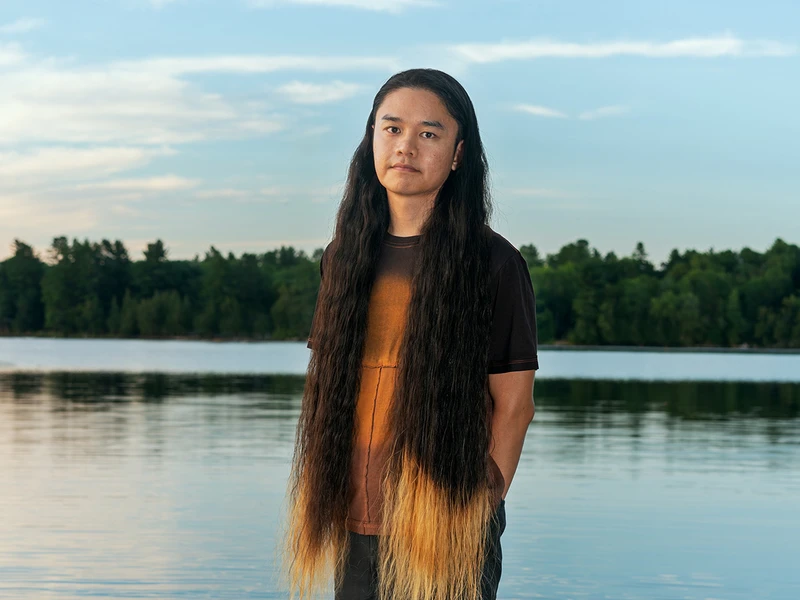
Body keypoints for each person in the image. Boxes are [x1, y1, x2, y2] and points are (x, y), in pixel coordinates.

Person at [279, 68, 538, 600]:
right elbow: (330, 385)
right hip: (353, 514)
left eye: (428, 133)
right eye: (392, 128)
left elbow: (515, 405)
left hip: (447, 520)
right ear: (371, 139)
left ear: (459, 154)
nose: (406, 146)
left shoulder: (493, 262)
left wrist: (483, 500)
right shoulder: (343, 258)